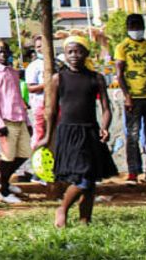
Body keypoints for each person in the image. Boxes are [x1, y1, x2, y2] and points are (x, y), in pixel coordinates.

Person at [36, 36, 117, 227]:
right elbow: (51, 110)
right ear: (65, 54)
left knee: (89, 179)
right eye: (70, 52)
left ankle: (85, 220)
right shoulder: (58, 78)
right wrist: (48, 136)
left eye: (78, 51)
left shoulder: (96, 78)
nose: (74, 55)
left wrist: (105, 127)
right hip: (68, 132)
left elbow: (106, 108)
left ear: (86, 53)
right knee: (83, 177)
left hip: (90, 131)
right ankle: (62, 209)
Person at [116, 14, 146, 183]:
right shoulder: (123, 47)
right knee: (133, 136)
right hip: (134, 98)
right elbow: (119, 74)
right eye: (132, 26)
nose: (136, 29)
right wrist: (127, 96)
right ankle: (133, 172)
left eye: (138, 26)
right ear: (127, 28)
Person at [0, 40, 31, 204]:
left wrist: (28, 121)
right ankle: (4, 191)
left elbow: (18, 97)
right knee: (7, 156)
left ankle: (3, 180)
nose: (3, 54)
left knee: (25, 153)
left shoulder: (13, 72)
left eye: (5, 51)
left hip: (20, 117)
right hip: (6, 119)